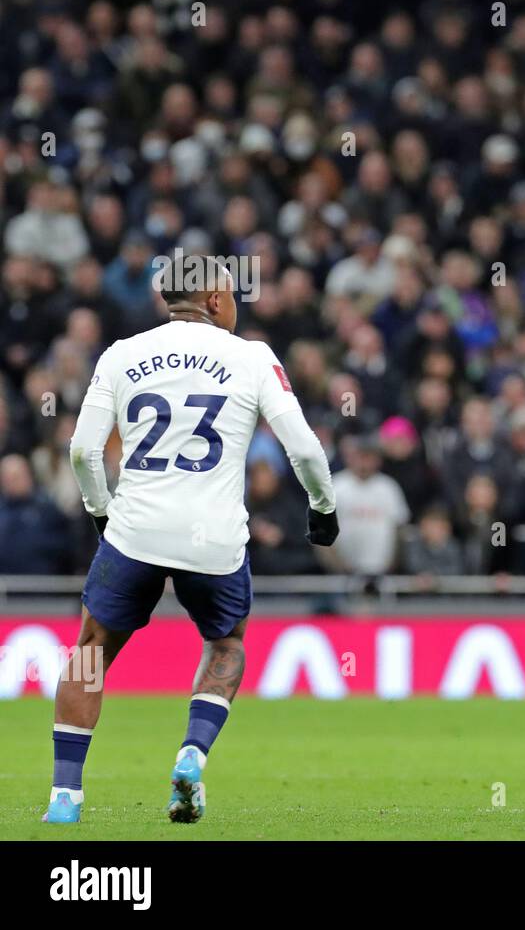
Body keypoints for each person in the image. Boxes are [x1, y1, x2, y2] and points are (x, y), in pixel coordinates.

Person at [46, 258, 338, 825]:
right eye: (230, 293)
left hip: (135, 531)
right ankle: (191, 753)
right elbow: (303, 449)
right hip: (215, 540)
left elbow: (82, 451)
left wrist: (101, 514)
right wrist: (323, 509)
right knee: (227, 644)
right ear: (212, 300)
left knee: (90, 653)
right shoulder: (252, 357)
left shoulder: (122, 354)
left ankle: (65, 798)